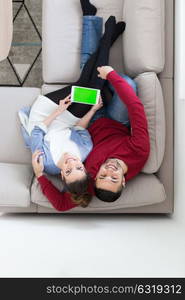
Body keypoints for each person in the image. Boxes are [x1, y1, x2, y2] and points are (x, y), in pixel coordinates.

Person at [20, 1, 127, 210]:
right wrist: (94, 110)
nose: (71, 163)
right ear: (85, 169)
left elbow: (36, 133)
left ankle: (107, 38)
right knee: (91, 88)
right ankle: (106, 38)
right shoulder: (84, 152)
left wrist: (58, 110)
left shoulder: (47, 163)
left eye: (68, 170)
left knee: (90, 85)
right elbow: (78, 128)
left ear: (61, 174)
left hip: (46, 116)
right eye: (78, 167)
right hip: (68, 120)